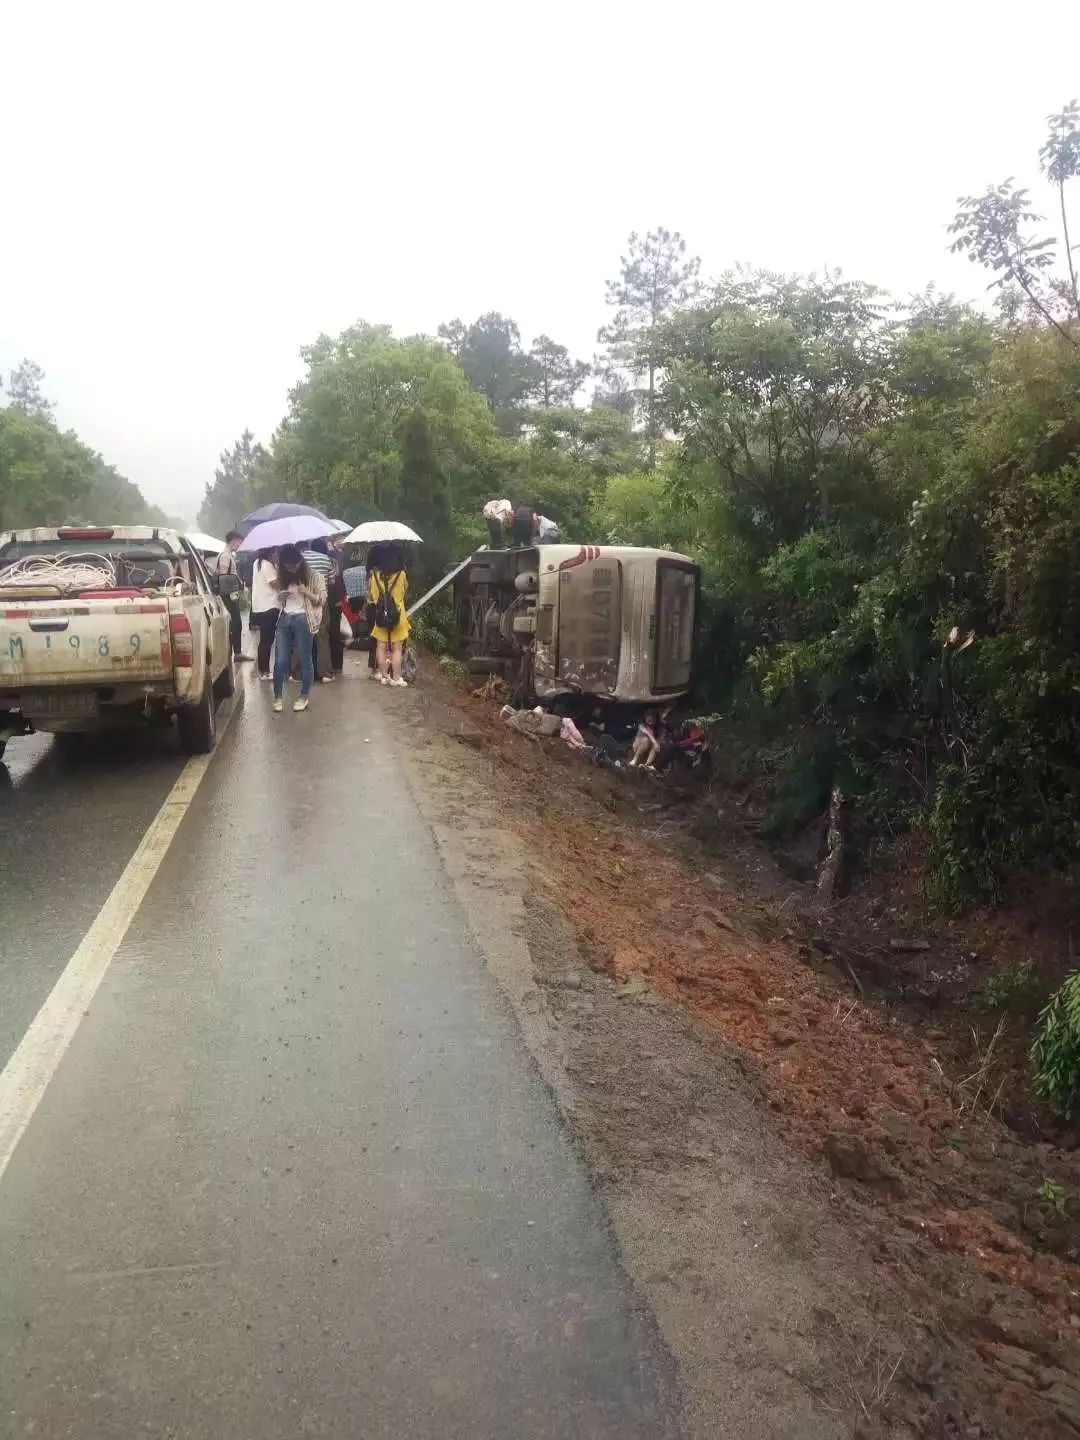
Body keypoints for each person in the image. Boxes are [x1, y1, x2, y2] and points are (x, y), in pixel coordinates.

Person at [272, 544, 323, 713]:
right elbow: (278, 602)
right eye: (287, 566)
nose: (291, 569)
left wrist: (306, 592)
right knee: (281, 661)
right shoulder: (283, 577)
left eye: (294, 565)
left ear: (301, 561)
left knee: (305, 659)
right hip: (284, 618)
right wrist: (281, 596)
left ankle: (304, 696)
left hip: (304, 619)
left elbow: (321, 600)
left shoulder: (314, 576)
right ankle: (278, 696)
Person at [368, 545, 410, 686]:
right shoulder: (401, 575)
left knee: (380, 646)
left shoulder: (375, 575)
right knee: (397, 648)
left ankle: (384, 676)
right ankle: (396, 678)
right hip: (398, 614)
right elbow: (404, 591)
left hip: (381, 615)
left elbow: (374, 597)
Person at [301, 538, 336, 683]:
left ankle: (298, 673)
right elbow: (331, 582)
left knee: (302, 636)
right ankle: (325, 673)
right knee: (322, 636)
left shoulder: (302, 557)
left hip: (303, 600)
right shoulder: (327, 559)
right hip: (321, 602)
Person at [215, 530, 251, 662]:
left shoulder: (228, 555)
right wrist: (232, 591)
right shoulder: (225, 556)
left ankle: (236, 652)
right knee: (235, 624)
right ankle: (236, 653)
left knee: (236, 624)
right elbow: (224, 576)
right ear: (234, 540)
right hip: (228, 596)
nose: (240, 545)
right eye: (239, 542)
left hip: (230, 594)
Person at [250, 549, 280, 679]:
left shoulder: (257, 562)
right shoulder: (267, 564)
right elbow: (274, 584)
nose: (276, 552)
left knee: (265, 639)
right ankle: (264, 671)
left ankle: (263, 670)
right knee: (267, 640)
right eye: (275, 550)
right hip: (269, 605)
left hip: (260, 606)